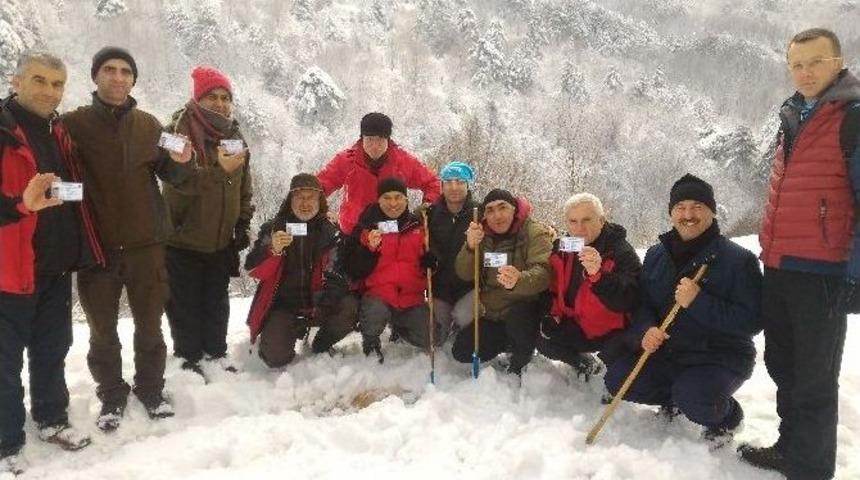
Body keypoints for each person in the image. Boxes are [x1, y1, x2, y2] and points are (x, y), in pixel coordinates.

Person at [742, 28, 860, 479]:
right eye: (797, 64)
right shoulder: (794, 114)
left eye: (816, 61)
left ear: (838, 62)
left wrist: (852, 276)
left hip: (824, 274)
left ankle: (810, 470)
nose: (805, 72)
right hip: (780, 265)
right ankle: (791, 449)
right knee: (783, 365)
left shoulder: (851, 117)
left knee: (814, 381)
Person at [62, 46, 193, 431]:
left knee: (150, 325)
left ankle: (152, 390)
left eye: (125, 71)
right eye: (109, 70)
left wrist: (184, 164)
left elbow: (175, 176)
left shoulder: (151, 126)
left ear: (134, 79)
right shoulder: (73, 125)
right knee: (102, 329)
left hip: (146, 246)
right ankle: (111, 395)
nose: (118, 77)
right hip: (96, 248)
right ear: (95, 76)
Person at [0, 52, 103, 474]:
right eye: (40, 80)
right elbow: (21, 203)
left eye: (57, 84)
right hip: (9, 270)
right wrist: (20, 205)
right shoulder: (5, 130)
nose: (49, 91)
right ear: (16, 80)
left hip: (54, 264)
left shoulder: (57, 131)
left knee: (51, 350)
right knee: (4, 361)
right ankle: (7, 442)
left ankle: (51, 419)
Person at [603, 174, 762, 447]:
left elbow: (752, 321)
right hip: (670, 353)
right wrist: (646, 330)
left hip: (718, 357)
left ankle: (728, 416)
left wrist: (699, 301)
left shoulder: (738, 260)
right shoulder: (656, 255)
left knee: (696, 399)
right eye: (680, 208)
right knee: (618, 379)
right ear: (671, 213)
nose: (688, 215)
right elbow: (642, 304)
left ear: (712, 210)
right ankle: (676, 399)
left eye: (697, 207)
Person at [162, 66, 254, 376]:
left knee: (216, 302)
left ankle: (216, 353)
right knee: (183, 305)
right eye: (211, 96)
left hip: (219, 240)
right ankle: (188, 359)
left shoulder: (234, 135)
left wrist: (242, 222)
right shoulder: (176, 132)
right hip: (181, 239)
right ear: (197, 98)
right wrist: (219, 170)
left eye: (225, 97)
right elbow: (179, 182)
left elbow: (244, 184)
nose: (220, 103)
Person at [244, 174, 357, 367]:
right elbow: (253, 269)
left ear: (319, 200)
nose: (305, 203)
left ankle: (320, 343)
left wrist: (324, 304)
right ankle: (290, 334)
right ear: (290, 200)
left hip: (319, 302)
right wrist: (273, 250)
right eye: (300, 197)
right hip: (284, 306)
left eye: (311, 197)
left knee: (350, 306)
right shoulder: (274, 229)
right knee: (274, 358)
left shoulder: (330, 230)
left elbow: (339, 273)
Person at [536, 193, 641, 381]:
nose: (579, 228)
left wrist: (599, 276)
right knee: (541, 336)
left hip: (612, 332)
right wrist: (552, 314)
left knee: (619, 357)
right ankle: (585, 364)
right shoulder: (562, 247)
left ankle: (614, 377)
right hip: (576, 324)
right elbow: (549, 286)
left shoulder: (620, 251)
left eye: (587, 220)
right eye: (573, 221)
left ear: (601, 221)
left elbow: (631, 299)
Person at [450, 188, 552, 376]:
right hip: (493, 314)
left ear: (514, 209)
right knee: (462, 351)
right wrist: (470, 247)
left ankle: (523, 353)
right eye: (490, 210)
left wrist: (519, 280)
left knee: (519, 318)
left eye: (502, 207)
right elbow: (464, 273)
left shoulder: (534, 231)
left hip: (525, 309)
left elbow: (544, 273)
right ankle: (508, 343)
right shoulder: (482, 235)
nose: (497, 215)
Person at [340, 177, 436, 363]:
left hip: (411, 297)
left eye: (398, 197)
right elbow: (353, 268)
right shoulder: (366, 227)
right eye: (387, 198)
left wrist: (432, 262)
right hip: (378, 296)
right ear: (378, 200)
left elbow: (432, 260)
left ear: (406, 200)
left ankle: (400, 327)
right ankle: (371, 339)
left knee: (433, 338)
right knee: (375, 312)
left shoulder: (418, 226)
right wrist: (369, 249)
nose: (393, 203)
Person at [316, 112, 440, 235]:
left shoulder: (402, 161)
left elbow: (433, 184)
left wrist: (426, 207)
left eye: (380, 139)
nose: (375, 146)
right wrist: (318, 210)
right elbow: (318, 187)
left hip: (390, 230)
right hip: (354, 230)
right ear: (362, 139)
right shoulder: (346, 161)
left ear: (388, 140)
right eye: (369, 139)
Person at [425, 160, 480, 342]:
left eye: (460, 181)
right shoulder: (430, 215)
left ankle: (461, 323)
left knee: (464, 316)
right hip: (440, 289)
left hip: (469, 288)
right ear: (441, 186)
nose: (454, 187)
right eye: (448, 182)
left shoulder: (479, 213)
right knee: (435, 337)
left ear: (467, 185)